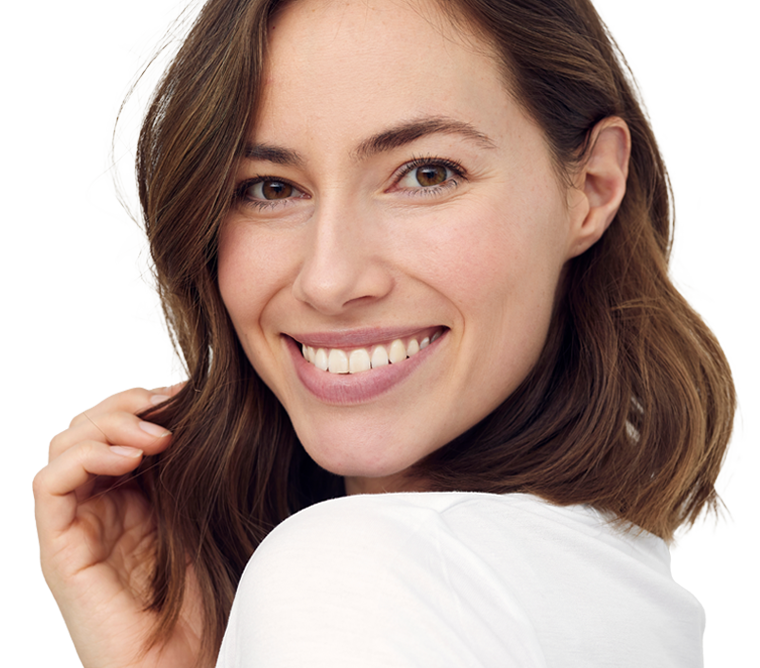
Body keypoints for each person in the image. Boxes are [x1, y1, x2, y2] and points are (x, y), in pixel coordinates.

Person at [32, 0, 738, 666]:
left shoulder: (349, 569)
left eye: (427, 174)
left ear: (592, 185)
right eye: (270, 188)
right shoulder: (624, 584)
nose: (330, 279)